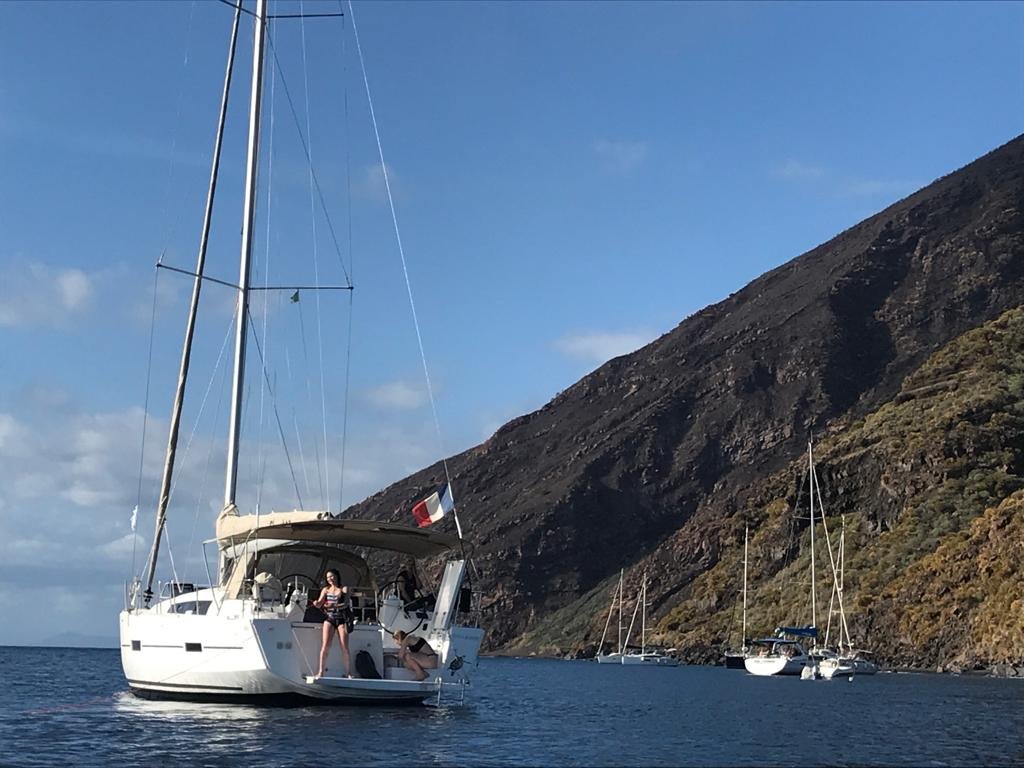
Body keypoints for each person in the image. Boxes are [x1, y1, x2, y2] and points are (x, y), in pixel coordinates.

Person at [313, 569, 352, 678]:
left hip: (342, 619)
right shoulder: (325, 590)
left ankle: (348, 672)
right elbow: (320, 603)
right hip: (330, 618)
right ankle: (321, 672)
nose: (330, 579)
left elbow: (346, 604)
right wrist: (317, 604)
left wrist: (333, 606)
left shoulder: (344, 589)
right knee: (325, 646)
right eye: (328, 577)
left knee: (344, 647)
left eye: (332, 576)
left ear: (337, 576)